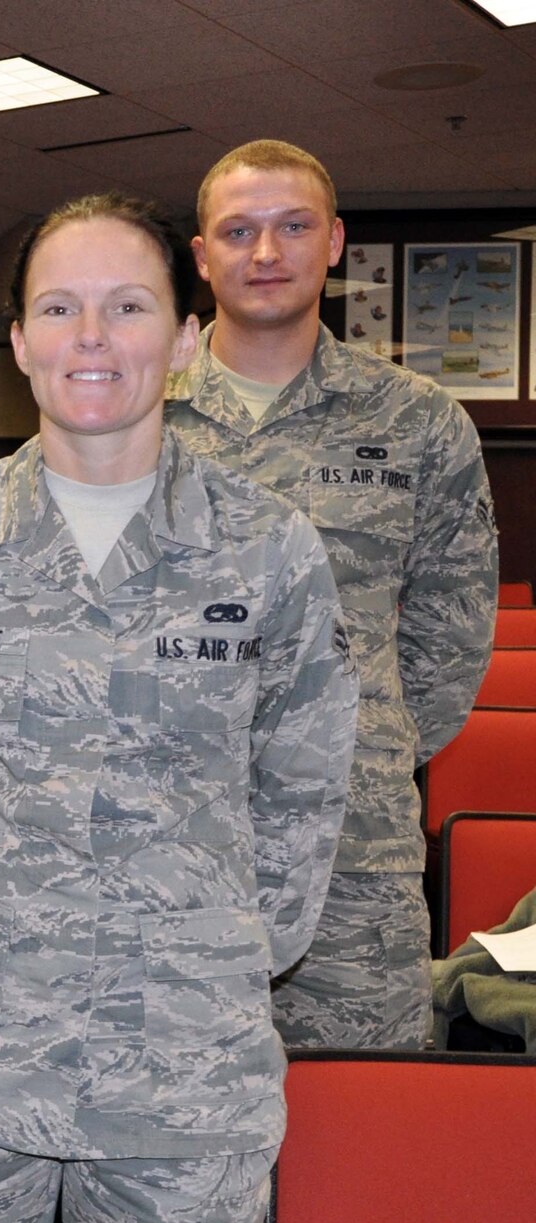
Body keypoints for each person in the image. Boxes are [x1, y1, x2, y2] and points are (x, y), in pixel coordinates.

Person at [0, 194, 357, 1223]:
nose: (92, 337)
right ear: (17, 341)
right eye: (58, 308)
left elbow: (303, 779)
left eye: (127, 307)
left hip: (178, 1055)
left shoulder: (266, 546)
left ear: (183, 337)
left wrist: (212, 948)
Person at [168, 139, 498, 1050]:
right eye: (238, 231)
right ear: (202, 255)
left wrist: (360, 745)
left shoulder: (417, 420)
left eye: (292, 227)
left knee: (356, 1120)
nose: (265, 253)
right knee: (164, 1142)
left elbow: (453, 628)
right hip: (164, 841)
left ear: (336, 242)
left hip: (356, 851)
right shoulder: (138, 415)